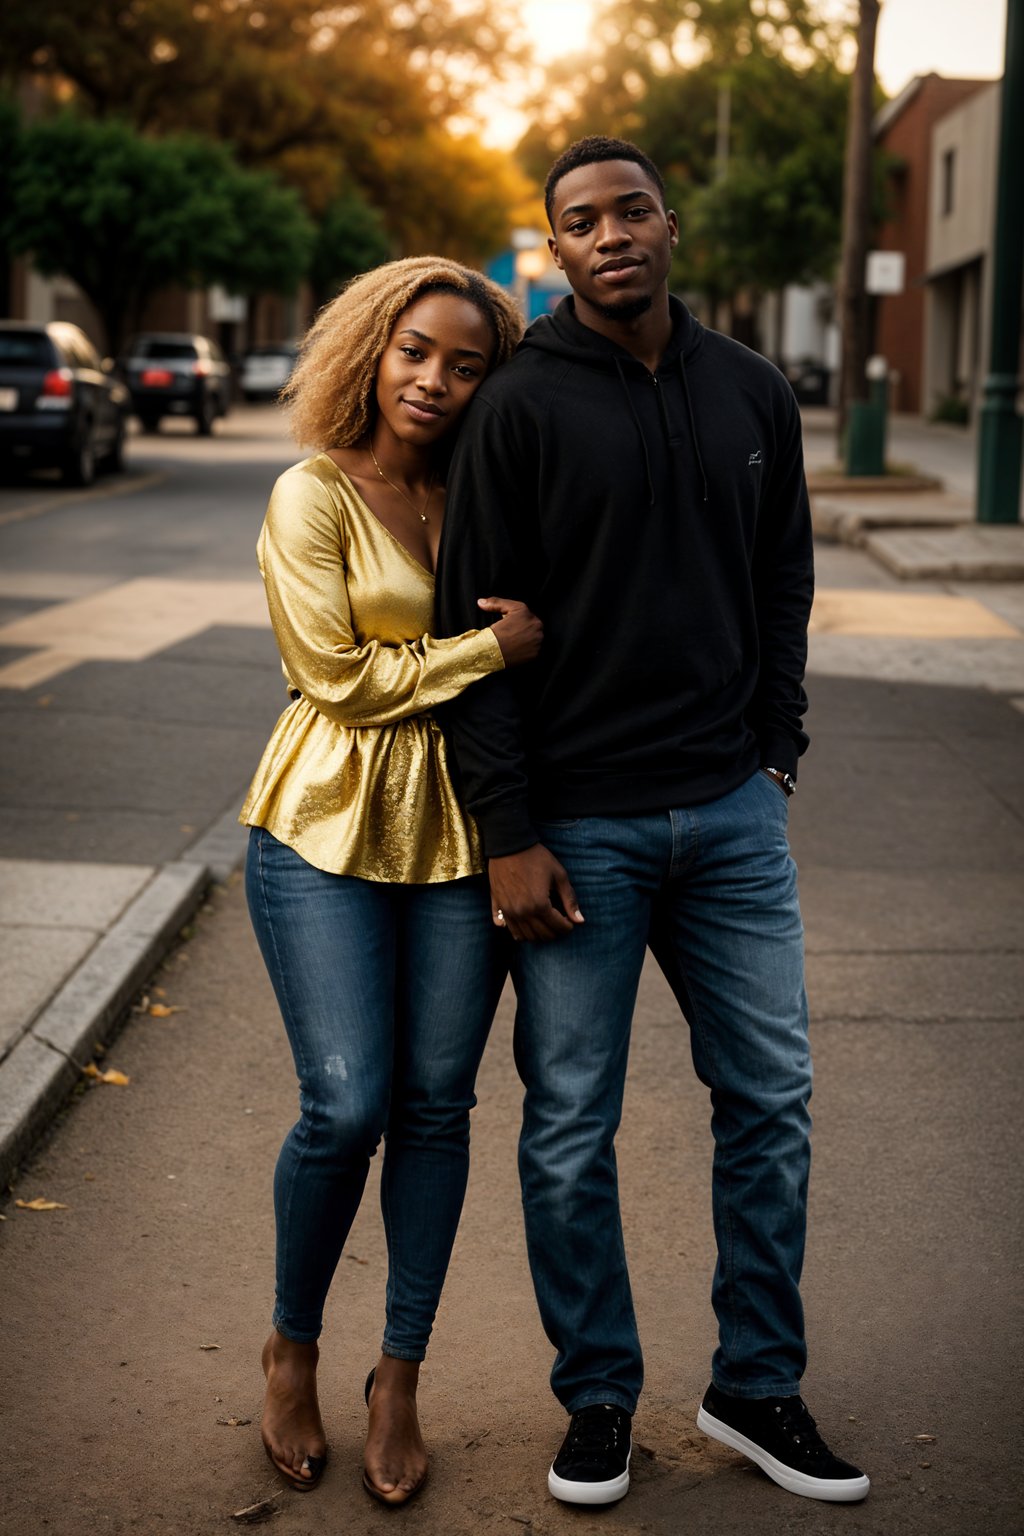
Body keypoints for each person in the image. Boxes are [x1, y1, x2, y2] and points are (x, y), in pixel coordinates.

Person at [436, 137, 869, 1508]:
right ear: (553, 251)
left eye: (630, 210)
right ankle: (599, 1398)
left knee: (773, 1103)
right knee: (570, 1120)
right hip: (580, 830)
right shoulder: (514, 408)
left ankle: (756, 1385)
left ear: (667, 224)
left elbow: (783, 575)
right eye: (581, 222)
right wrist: (508, 830)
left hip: (734, 818)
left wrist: (779, 748)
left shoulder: (753, 389)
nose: (610, 234)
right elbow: (471, 629)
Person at [240, 257, 537, 1507]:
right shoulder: (313, 493)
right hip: (322, 829)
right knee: (348, 1101)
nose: (435, 379)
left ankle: (399, 1374)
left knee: (435, 1106)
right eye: (417, 350)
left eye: (466, 364)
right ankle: (291, 1346)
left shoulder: (481, 489)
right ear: (373, 345)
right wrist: (485, 645)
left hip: (459, 832)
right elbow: (337, 676)